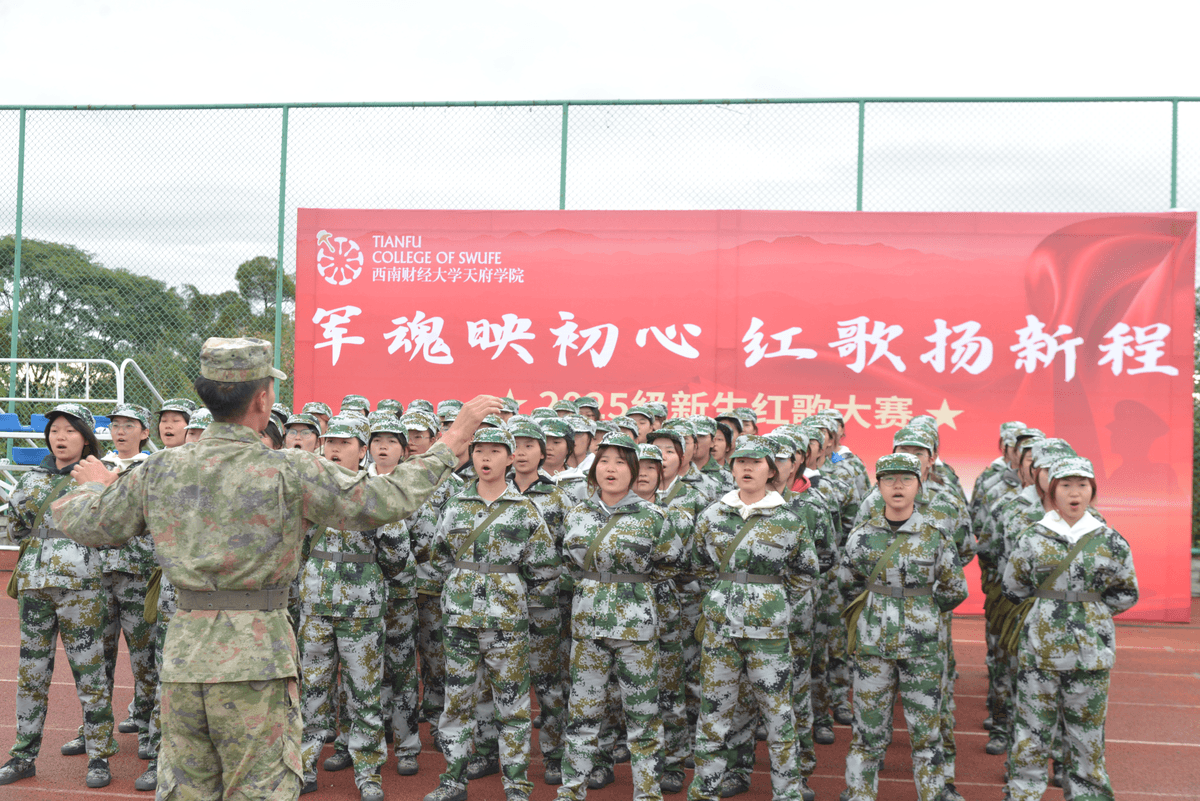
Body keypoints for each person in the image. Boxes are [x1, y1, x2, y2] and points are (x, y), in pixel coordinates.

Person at [47, 337, 501, 801]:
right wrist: (452, 440)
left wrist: (94, 486)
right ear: (262, 400)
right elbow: (388, 499)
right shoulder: (290, 470)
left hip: (185, 656)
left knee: (188, 789)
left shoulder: (159, 469)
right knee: (260, 789)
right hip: (258, 656)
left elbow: (87, 523)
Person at [421, 427, 560, 801]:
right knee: (456, 703)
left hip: (506, 622)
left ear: (510, 458)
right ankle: (452, 782)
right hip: (460, 620)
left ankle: (516, 785)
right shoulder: (456, 505)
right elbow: (439, 557)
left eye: (495, 451)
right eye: (479, 450)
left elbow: (545, 568)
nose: (485, 458)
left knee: (512, 707)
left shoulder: (525, 510)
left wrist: (513, 598)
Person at [688, 435, 819, 801]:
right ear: (731, 468)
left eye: (756, 462)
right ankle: (705, 790)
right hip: (721, 632)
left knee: (778, 716)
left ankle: (787, 792)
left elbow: (806, 571)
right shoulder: (713, 515)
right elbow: (699, 565)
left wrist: (772, 600)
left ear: (771, 471)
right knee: (714, 714)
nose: (747, 468)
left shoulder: (788, 520)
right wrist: (724, 596)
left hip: (768, 635)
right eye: (741, 462)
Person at [1002, 456, 1137, 801]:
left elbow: (1126, 592)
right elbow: (1013, 587)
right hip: (1039, 654)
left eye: (1082, 485)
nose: (1074, 493)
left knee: (1087, 739)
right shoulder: (1033, 537)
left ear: (1093, 491)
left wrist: (1090, 614)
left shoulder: (1110, 541)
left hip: (1090, 657)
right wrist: (1049, 611)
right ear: (1052, 491)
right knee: (1031, 737)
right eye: (1066, 485)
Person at [556, 434, 681, 801]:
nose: (611, 468)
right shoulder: (578, 513)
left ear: (634, 469)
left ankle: (647, 794)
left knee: (643, 718)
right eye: (605, 461)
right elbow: (568, 563)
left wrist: (629, 588)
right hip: (588, 626)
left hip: (635, 628)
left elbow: (669, 564)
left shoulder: (653, 516)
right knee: (582, 715)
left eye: (621, 462)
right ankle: (571, 791)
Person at [837, 453, 968, 801]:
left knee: (926, 734)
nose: (898, 486)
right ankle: (859, 794)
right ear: (878, 486)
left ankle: (933, 794)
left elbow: (955, 589)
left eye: (906, 479)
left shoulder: (936, 535)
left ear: (919, 486)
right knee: (867, 733)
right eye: (889, 479)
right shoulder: (861, 536)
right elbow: (847, 583)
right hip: (872, 647)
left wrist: (921, 611)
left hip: (921, 648)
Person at [0, 403, 118, 789]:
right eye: (54, 431)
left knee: (90, 674)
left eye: (69, 430)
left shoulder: (99, 477)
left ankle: (99, 755)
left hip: (81, 588)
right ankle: (23, 755)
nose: (60, 437)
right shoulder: (32, 479)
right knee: (31, 675)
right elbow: (15, 527)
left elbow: (115, 526)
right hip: (36, 588)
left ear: (86, 437)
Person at [296, 414, 404, 801]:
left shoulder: (377, 492)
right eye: (331, 442)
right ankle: (303, 766)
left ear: (362, 451)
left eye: (345, 443)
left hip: (361, 611)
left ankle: (368, 772)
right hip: (316, 607)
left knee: (364, 692)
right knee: (311, 691)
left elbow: (396, 555)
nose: (336, 449)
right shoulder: (308, 492)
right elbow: (296, 546)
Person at [97, 403, 158, 765]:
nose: (120, 432)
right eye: (115, 425)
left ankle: (147, 729)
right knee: (96, 660)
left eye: (129, 425)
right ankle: (93, 732)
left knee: (144, 660)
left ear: (144, 432)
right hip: (100, 576)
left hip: (138, 576)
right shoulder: (98, 466)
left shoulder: (152, 469)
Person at [367, 412, 423, 777]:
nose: (383, 447)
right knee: (362, 671)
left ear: (403, 449)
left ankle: (406, 746)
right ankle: (363, 743)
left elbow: (427, 540)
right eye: (377, 441)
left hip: (400, 592)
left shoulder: (413, 484)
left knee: (402, 669)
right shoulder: (355, 484)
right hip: (359, 592)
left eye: (391, 441)